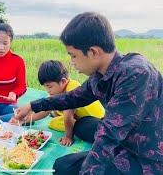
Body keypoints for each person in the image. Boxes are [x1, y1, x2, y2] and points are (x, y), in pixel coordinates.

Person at [14, 12, 163, 174]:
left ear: (93, 52)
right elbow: (73, 97)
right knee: (77, 135)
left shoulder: (136, 74)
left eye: (73, 55)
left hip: (146, 154)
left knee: (67, 167)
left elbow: (109, 135)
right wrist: (33, 105)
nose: (72, 63)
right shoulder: (100, 74)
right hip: (123, 137)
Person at [10, 60, 104, 146]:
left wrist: (68, 136)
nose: (48, 91)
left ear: (63, 81)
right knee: (53, 122)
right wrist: (24, 120)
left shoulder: (71, 88)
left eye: (49, 87)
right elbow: (45, 110)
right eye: (45, 87)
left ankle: (72, 125)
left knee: (64, 122)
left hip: (95, 121)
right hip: (80, 117)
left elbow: (68, 117)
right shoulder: (59, 90)